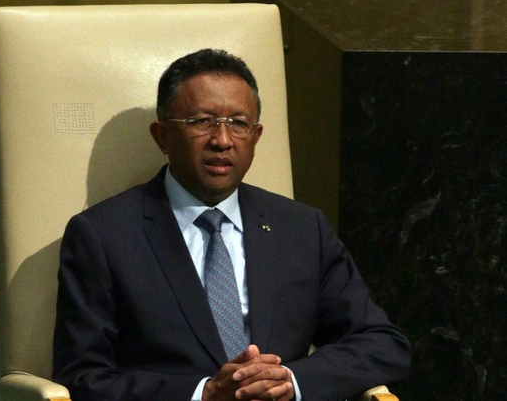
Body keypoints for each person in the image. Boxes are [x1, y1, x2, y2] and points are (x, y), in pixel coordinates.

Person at [52, 49, 411, 401]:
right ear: (162, 136)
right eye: (202, 121)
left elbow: (382, 343)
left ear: (255, 137)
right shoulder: (103, 236)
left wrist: (290, 381)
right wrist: (202, 394)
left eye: (238, 124)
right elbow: (82, 377)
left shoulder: (302, 229)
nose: (222, 141)